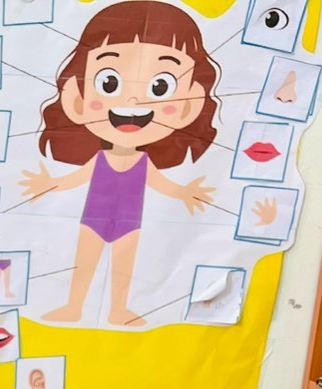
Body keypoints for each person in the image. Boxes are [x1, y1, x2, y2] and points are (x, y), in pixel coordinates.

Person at [20, 1, 218, 327]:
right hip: (93, 221)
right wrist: (51, 184)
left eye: (160, 86)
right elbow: (77, 179)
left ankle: (118, 310)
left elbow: (161, 184)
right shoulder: (101, 158)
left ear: (189, 105)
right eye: (109, 83)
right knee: (84, 264)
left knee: (123, 269)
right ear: (76, 98)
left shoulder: (143, 161)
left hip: (130, 223)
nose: (134, 100)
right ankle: (74, 306)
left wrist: (184, 193)